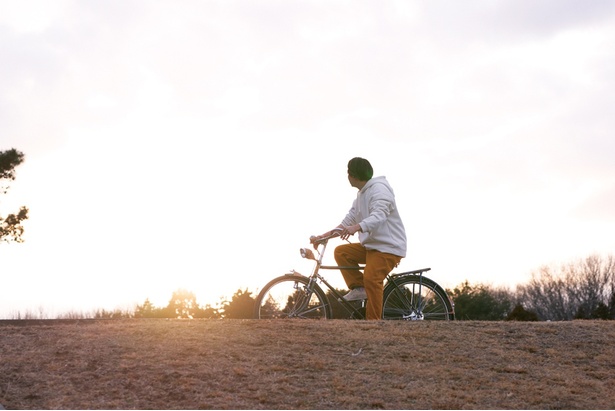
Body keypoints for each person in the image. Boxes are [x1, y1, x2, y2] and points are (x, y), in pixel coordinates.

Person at [311, 157, 407, 320]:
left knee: (372, 278)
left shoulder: (380, 190)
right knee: (341, 252)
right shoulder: (361, 194)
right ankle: (359, 288)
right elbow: (347, 221)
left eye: (348, 173)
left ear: (353, 175)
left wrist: (356, 228)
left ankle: (373, 323)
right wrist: (323, 236)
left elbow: (379, 216)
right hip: (372, 247)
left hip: (388, 247)